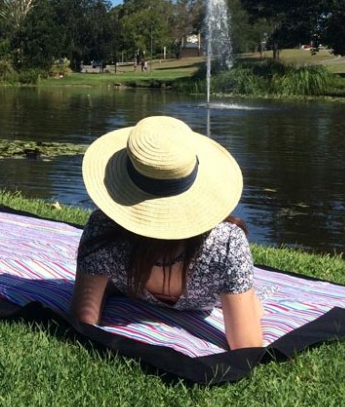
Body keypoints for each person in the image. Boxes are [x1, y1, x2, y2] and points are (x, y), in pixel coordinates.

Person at [72, 115, 264, 350]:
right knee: (251, 305)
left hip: (128, 288)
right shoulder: (226, 244)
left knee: (252, 303)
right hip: (202, 296)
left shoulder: (105, 231)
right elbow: (247, 347)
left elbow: (84, 319)